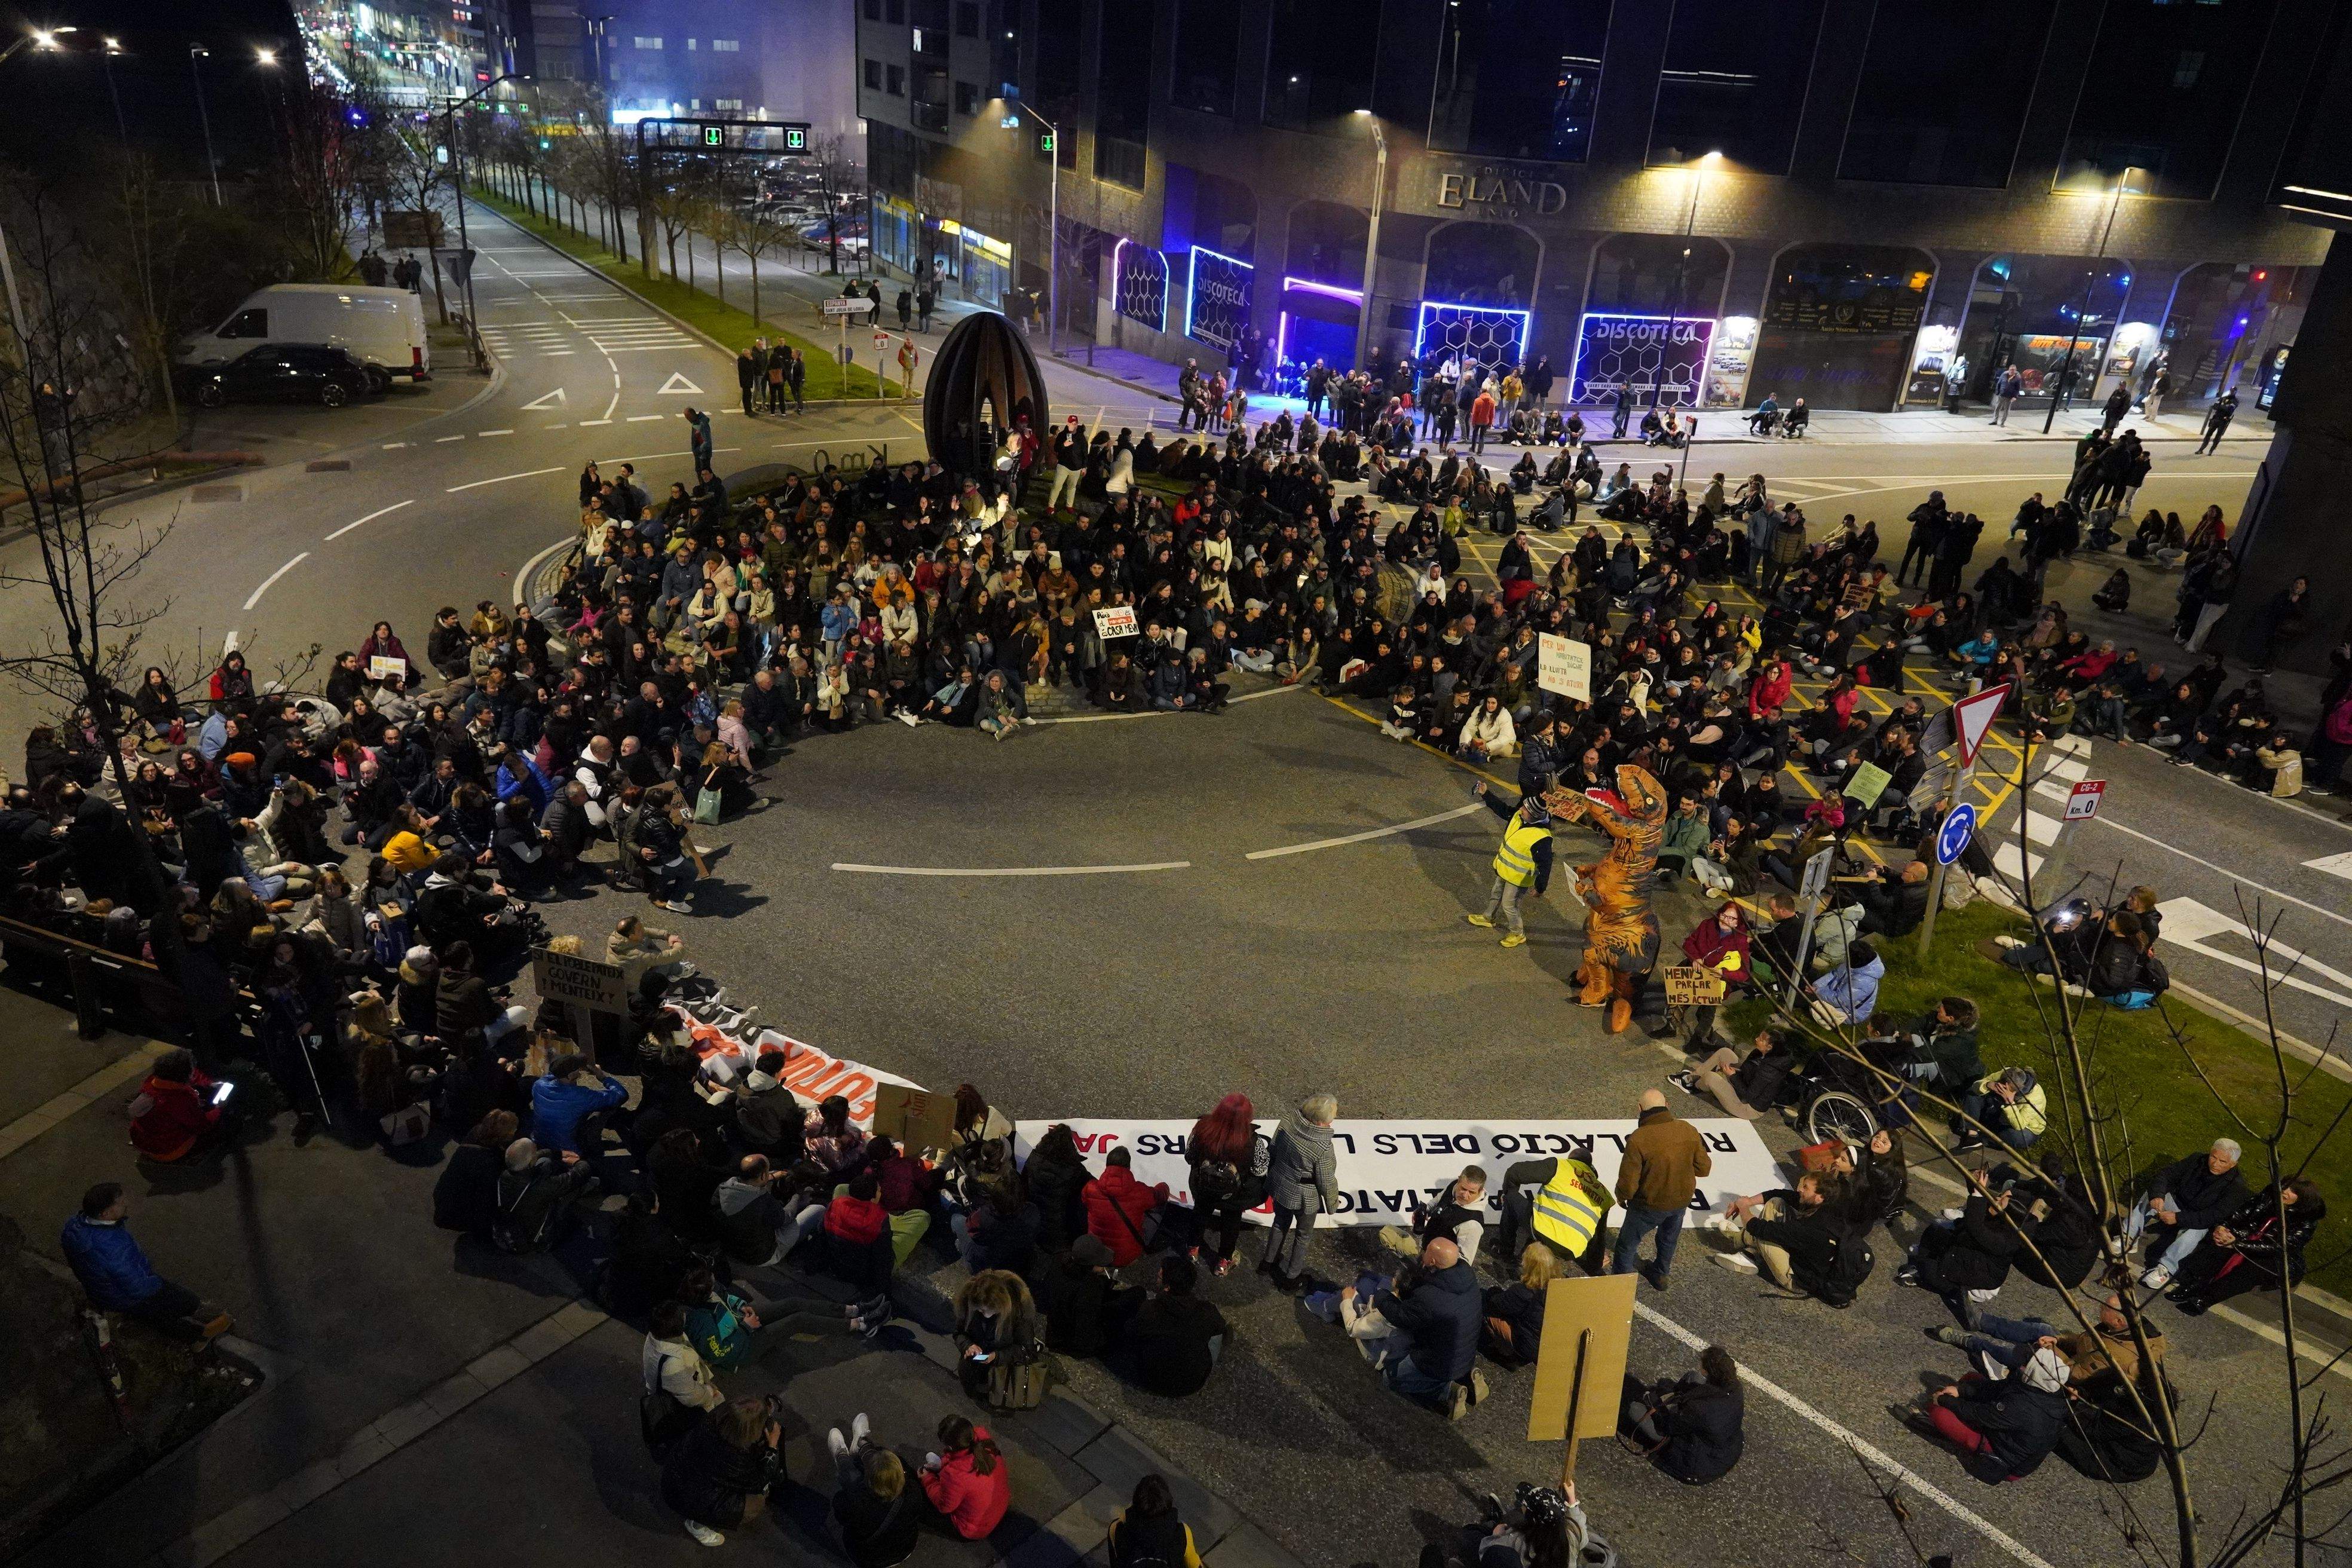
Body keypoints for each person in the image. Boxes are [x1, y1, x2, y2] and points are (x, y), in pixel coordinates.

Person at [60, 1183, 230, 1339]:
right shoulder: (112, 1246)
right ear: (105, 1214)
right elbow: (138, 1286)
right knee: (166, 1307)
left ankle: (193, 1317)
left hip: (102, 1292)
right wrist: (158, 1285)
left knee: (156, 1309)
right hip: (123, 1297)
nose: (125, 1203)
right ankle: (201, 1335)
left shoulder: (75, 1226)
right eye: (120, 1203)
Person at [1359, 1236, 1485, 1419]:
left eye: (1425, 1252)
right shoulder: (1467, 1274)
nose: (1422, 1254)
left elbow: (1400, 1316)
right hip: (1465, 1355)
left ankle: (1447, 1391)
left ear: (1432, 1261)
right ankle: (1466, 1378)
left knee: (1390, 1378)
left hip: (1438, 1365)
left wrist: (1381, 1296)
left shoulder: (1429, 1298)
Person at [2166, 1178, 2326, 1314]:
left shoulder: (2306, 1221)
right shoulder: (2269, 1196)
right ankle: (2193, 1285)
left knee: (2252, 1271)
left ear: (2302, 1198)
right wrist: (2223, 1227)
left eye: (2292, 1191)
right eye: (2284, 1186)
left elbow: (2279, 1247)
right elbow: (2243, 1213)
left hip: (2272, 1255)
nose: (2284, 1191)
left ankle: (2206, 1299)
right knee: (2218, 1246)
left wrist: (2237, 1244)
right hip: (2247, 1236)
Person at [1919, 1345, 2073, 1483]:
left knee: (1940, 1414)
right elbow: (1996, 1388)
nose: (2020, 1367)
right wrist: (1960, 1390)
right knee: (1971, 1379)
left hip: (2006, 1459)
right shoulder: (2042, 1389)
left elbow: (1979, 1414)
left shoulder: (2024, 1408)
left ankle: (1948, 1429)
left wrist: (1945, 1401)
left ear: (2035, 1375)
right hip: (2007, 1433)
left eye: (2025, 1366)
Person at [1612, 1089, 1710, 1289]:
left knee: (1627, 1244)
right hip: (1681, 1201)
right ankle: (1661, 1275)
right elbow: (1704, 1169)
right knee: (1668, 1240)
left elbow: (1629, 1183)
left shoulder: (1639, 1139)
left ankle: (1620, 1285)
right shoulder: (1688, 1129)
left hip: (1649, 1204)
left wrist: (1622, 1197)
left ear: (1639, 1109)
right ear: (1667, 1106)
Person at [2125, 1138, 2248, 1290]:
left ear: (2233, 1164)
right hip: (2178, 1205)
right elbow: (2166, 1175)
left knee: (2197, 1230)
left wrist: (2178, 1218)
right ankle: (2128, 1236)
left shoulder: (2236, 1188)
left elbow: (2211, 1216)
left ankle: (2166, 1268)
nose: (2215, 1164)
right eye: (2213, 1157)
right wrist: (2158, 1195)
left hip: (2198, 1219)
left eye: (2222, 1162)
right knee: (2151, 1197)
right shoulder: (2196, 1160)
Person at [662, 1394, 784, 1547]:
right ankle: (697, 1524)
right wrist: (772, 1447)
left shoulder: (715, 1418)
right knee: (756, 1502)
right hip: (686, 1496)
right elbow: (757, 1481)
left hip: (676, 1474)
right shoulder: (734, 1457)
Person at [1619, 1345, 1744, 1484]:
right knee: (1692, 1377)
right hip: (1724, 1450)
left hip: (1698, 1461)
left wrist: (1652, 1403)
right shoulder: (1735, 1387)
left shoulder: (1700, 1409)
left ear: (1708, 1371)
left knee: (1635, 1409)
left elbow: (1667, 1426)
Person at [1259, 1091, 1340, 1288]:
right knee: (1302, 1237)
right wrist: (1332, 1204)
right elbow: (1326, 1180)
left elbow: (1273, 1149)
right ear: (1322, 1121)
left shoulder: (1287, 1122)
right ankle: (1291, 1277)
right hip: (1305, 1197)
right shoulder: (1323, 1146)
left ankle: (1267, 1262)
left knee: (1279, 1223)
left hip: (1281, 1185)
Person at [1492, 1141, 1610, 1277]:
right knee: (1540, 1211)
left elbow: (1514, 1172)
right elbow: (1599, 1238)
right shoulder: (1604, 1194)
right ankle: (1524, 1263)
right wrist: (1595, 1267)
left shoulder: (1561, 1166)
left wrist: (1507, 1194)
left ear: (1571, 1160)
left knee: (1512, 1198)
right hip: (1571, 1251)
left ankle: (1506, 1252)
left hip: (1544, 1231)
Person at [1120, 1254, 1230, 1396]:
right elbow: (1220, 1327)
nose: (1157, 1278)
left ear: (1167, 1287)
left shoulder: (1152, 1309)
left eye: (1160, 1276)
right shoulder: (1206, 1310)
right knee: (1216, 1332)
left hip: (1150, 1380)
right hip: (1192, 1384)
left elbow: (1132, 1332)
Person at [1185, 1093, 1267, 1277]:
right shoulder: (1253, 1140)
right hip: (1234, 1195)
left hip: (1204, 1189)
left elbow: (1189, 1156)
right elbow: (1261, 1170)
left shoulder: (1201, 1129)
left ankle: (1192, 1250)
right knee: (1231, 1224)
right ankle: (1223, 1262)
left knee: (1199, 1215)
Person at [1465, 782, 1552, 948]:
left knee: (1509, 905)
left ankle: (1518, 933)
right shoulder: (1520, 817)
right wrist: (1486, 794)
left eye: (1525, 809)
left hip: (1518, 878)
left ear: (1533, 816)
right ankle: (1488, 917)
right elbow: (1503, 809)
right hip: (1505, 869)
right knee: (1496, 893)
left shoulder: (1542, 839)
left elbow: (1546, 865)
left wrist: (1540, 888)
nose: (1521, 810)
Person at [827, 1421, 921, 1568]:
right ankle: (862, 1445)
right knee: (881, 1464)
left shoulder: (857, 1502)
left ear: (868, 1480)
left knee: (852, 1480)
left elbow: (840, 1513)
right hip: (904, 1550)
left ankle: (842, 1456)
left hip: (866, 1559)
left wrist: (854, 1492)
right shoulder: (914, 1492)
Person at [493, 1137, 600, 1253]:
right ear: (530, 1162)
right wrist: (578, 1162)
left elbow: (534, 1156)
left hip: (513, 1222)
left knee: (545, 1162)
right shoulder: (542, 1186)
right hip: (537, 1240)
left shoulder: (504, 1175)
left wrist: (558, 1154)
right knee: (572, 1191)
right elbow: (578, 1175)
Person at [126, 1048, 232, 1162]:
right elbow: (202, 1126)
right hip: (169, 1150)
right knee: (221, 1126)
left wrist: (210, 1084)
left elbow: (194, 1076)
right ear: (184, 1076)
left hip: (145, 1141)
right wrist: (219, 1109)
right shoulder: (178, 1101)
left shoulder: (154, 1081)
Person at [1670, 1027, 1791, 1120]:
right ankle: (1693, 1077)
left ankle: (1695, 1086)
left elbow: (1748, 1096)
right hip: (1743, 1086)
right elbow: (1746, 1070)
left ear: (1770, 1047)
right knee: (1725, 1052)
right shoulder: (1760, 1053)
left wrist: (1732, 1076)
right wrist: (1734, 1072)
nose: (1757, 1039)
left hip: (1748, 1107)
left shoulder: (1769, 1070)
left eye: (1761, 1039)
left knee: (1711, 1077)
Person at [920, 1415, 1011, 1539]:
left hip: (974, 1529)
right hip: (998, 1508)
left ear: (950, 1447)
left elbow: (944, 1506)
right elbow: (962, 1457)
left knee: (920, 1500)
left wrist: (928, 1479)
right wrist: (946, 1462)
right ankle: (940, 1466)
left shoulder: (956, 1475)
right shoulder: (984, 1443)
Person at [1380, 1165, 1489, 1266]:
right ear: (1459, 1180)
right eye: (1463, 1189)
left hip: (1435, 1266)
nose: (1465, 1195)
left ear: (1481, 1191)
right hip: (1425, 1248)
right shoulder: (1454, 1186)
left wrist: (1434, 1270)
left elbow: (1464, 1263)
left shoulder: (1472, 1225)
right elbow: (1438, 1200)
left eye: (1472, 1192)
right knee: (1387, 1233)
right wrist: (1426, 1210)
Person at [1083, 1145, 1173, 1266]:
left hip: (1096, 1253)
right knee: (1158, 1206)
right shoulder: (1138, 1191)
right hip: (1127, 1256)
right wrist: (1164, 1185)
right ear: (1129, 1167)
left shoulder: (1090, 1188)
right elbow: (1160, 1196)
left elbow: (1085, 1202)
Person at [434, 1110, 517, 1238]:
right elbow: (485, 1200)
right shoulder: (493, 1164)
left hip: (443, 1200)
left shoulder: (473, 1137)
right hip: (459, 1217)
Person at [1108, 1475, 1204, 1568]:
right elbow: (1194, 1564)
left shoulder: (1117, 1528)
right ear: (1167, 1503)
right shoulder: (1182, 1532)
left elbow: (1116, 1562)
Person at [2197, 388, 2238, 455]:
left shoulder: (2235, 401)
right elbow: (2215, 406)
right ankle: (2201, 449)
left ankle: (2211, 451)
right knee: (2208, 434)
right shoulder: (2223, 398)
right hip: (2216, 419)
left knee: (2218, 437)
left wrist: (2221, 406)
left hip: (2223, 421)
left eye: (2233, 391)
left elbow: (2229, 410)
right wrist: (2224, 407)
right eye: (2231, 390)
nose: (2232, 392)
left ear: (2235, 392)